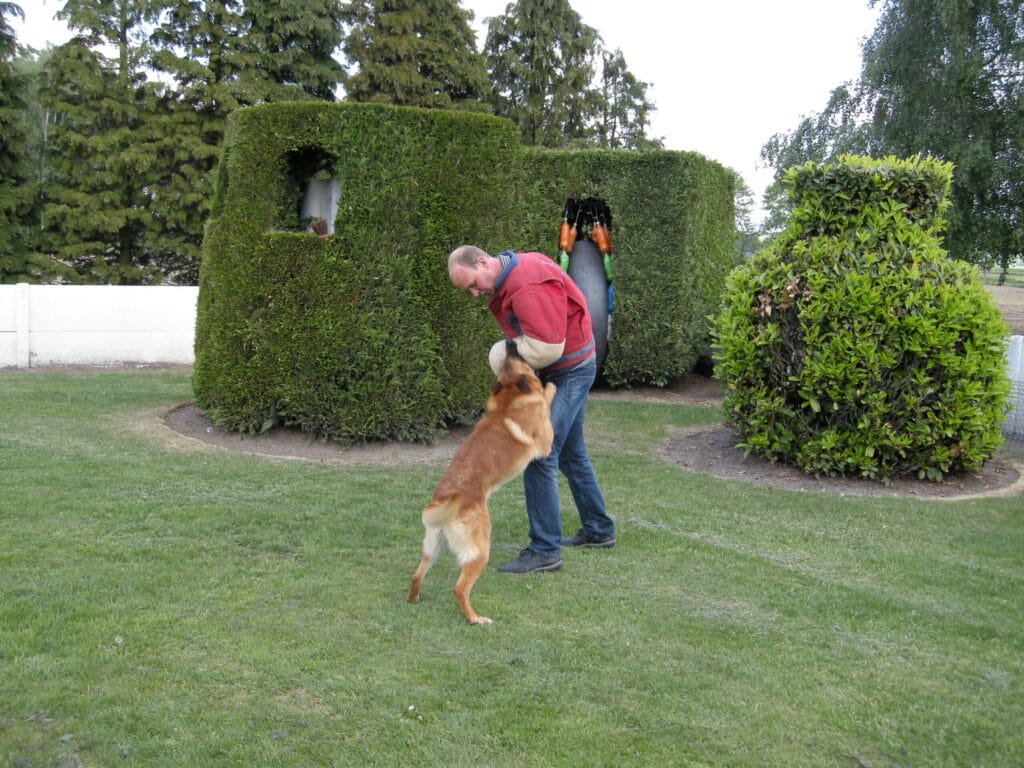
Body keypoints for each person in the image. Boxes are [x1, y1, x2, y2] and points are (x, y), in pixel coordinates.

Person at [447, 245, 615, 574]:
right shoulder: (512, 277)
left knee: (539, 453)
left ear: (482, 262)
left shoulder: (526, 284)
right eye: (468, 290)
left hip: (571, 372)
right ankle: (598, 530)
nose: (474, 293)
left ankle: (545, 550)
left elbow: (547, 348)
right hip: (567, 368)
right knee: (571, 453)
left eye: (472, 284)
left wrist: (502, 356)